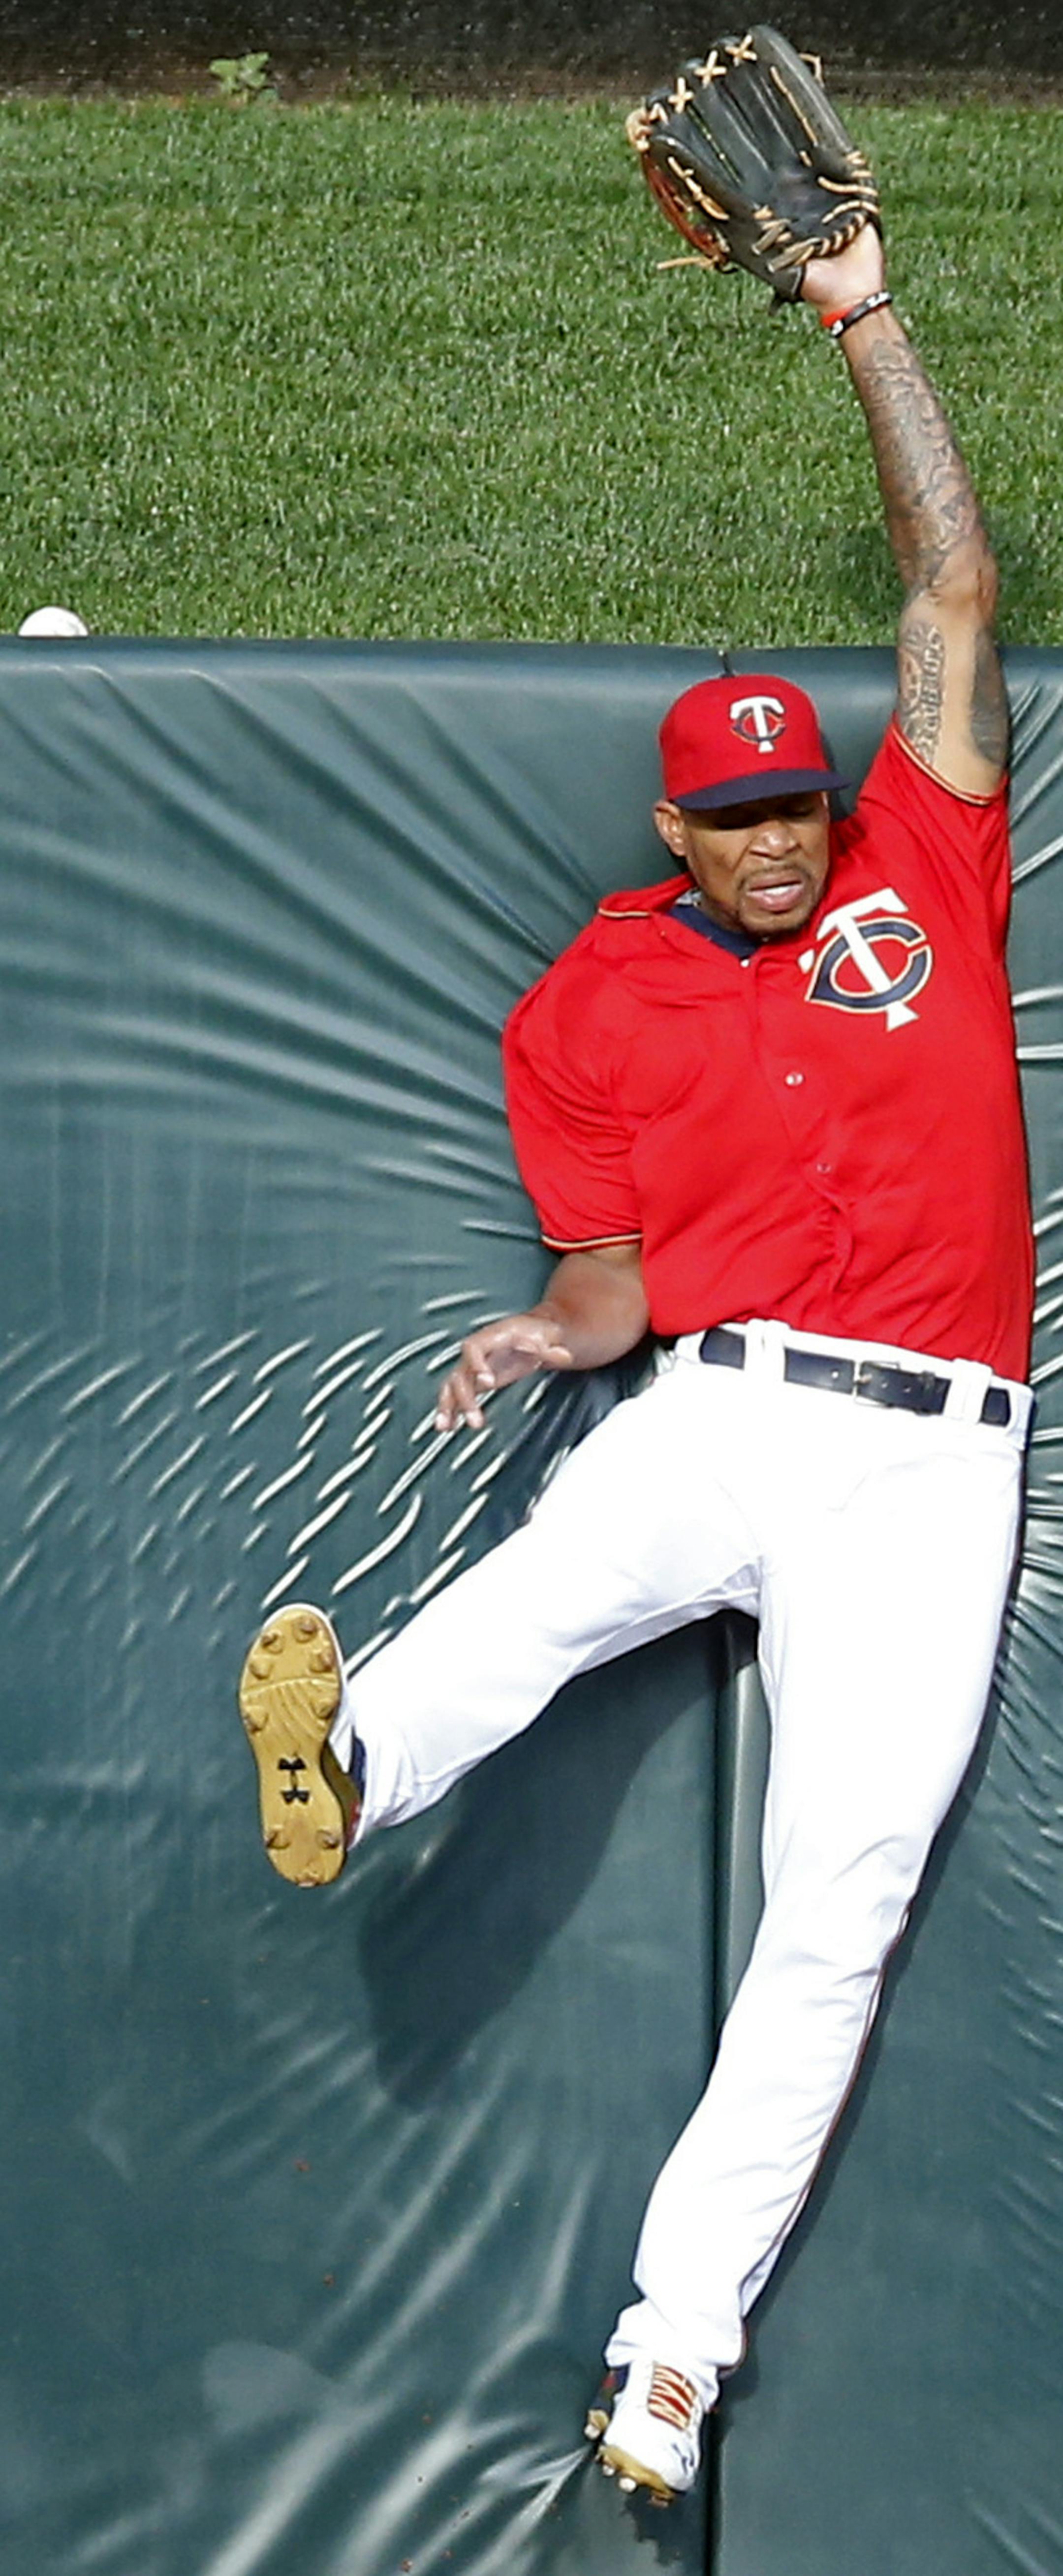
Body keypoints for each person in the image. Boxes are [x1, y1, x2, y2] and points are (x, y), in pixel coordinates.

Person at [237, 214, 1033, 2507]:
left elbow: (953, 600)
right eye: (743, 810)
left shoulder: (926, 866)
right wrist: (542, 1325)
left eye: (802, 796)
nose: (785, 836)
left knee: (840, 1906)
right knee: (552, 1581)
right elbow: (606, 1278)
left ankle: (673, 2357)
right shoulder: (591, 1000)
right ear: (678, 822)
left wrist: (861, 312)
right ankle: (358, 1767)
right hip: (731, 1394)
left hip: (939, 1465)